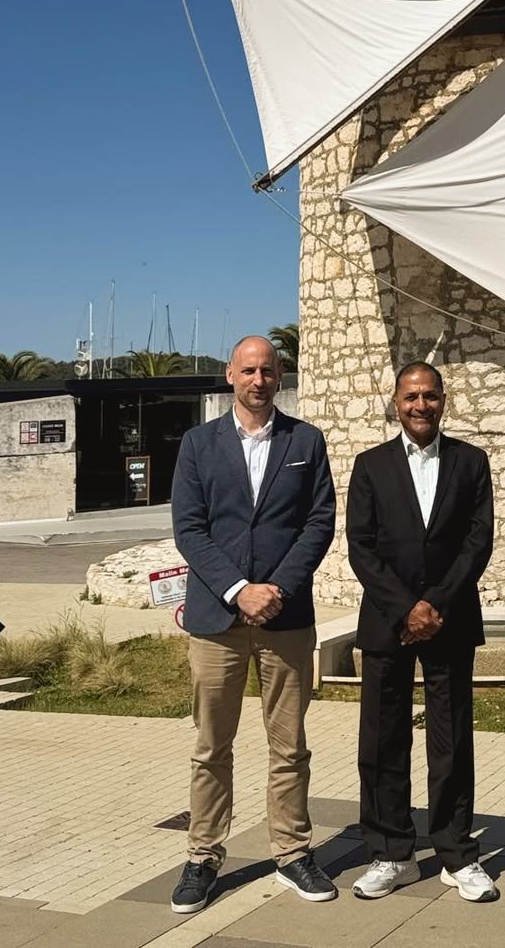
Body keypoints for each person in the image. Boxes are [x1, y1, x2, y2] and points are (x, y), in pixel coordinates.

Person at [169, 335, 337, 914]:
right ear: (230, 375)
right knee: (211, 744)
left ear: (279, 376)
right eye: (248, 370)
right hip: (216, 619)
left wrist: (278, 589)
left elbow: (319, 524)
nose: (258, 379)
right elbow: (190, 530)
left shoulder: (306, 441)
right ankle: (202, 855)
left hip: (286, 618)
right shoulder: (197, 445)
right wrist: (240, 591)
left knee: (289, 745)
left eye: (268, 370)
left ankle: (292, 853)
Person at [346, 362, 498, 904]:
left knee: (451, 739)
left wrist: (435, 604)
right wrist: (406, 608)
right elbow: (360, 547)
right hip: (388, 622)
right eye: (411, 396)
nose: (420, 405)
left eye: (430, 396)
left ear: (443, 401)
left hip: (450, 619)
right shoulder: (370, 466)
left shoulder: (470, 462)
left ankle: (456, 851)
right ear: (395, 401)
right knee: (383, 739)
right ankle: (391, 852)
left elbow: (478, 541)